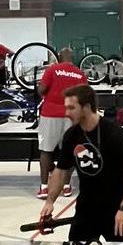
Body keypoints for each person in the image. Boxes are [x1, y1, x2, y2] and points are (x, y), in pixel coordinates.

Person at [40, 84, 123, 243]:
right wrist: (49, 201)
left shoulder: (114, 134)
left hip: (114, 211)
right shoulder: (71, 135)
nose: (66, 113)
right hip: (85, 209)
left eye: (71, 108)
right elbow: (61, 171)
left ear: (87, 107)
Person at [36, 48, 83, 199]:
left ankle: (44, 188)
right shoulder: (80, 74)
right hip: (71, 116)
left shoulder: (52, 70)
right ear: (72, 58)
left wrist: (41, 89)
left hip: (50, 114)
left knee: (46, 151)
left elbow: (42, 90)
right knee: (69, 152)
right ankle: (66, 186)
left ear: (59, 57)